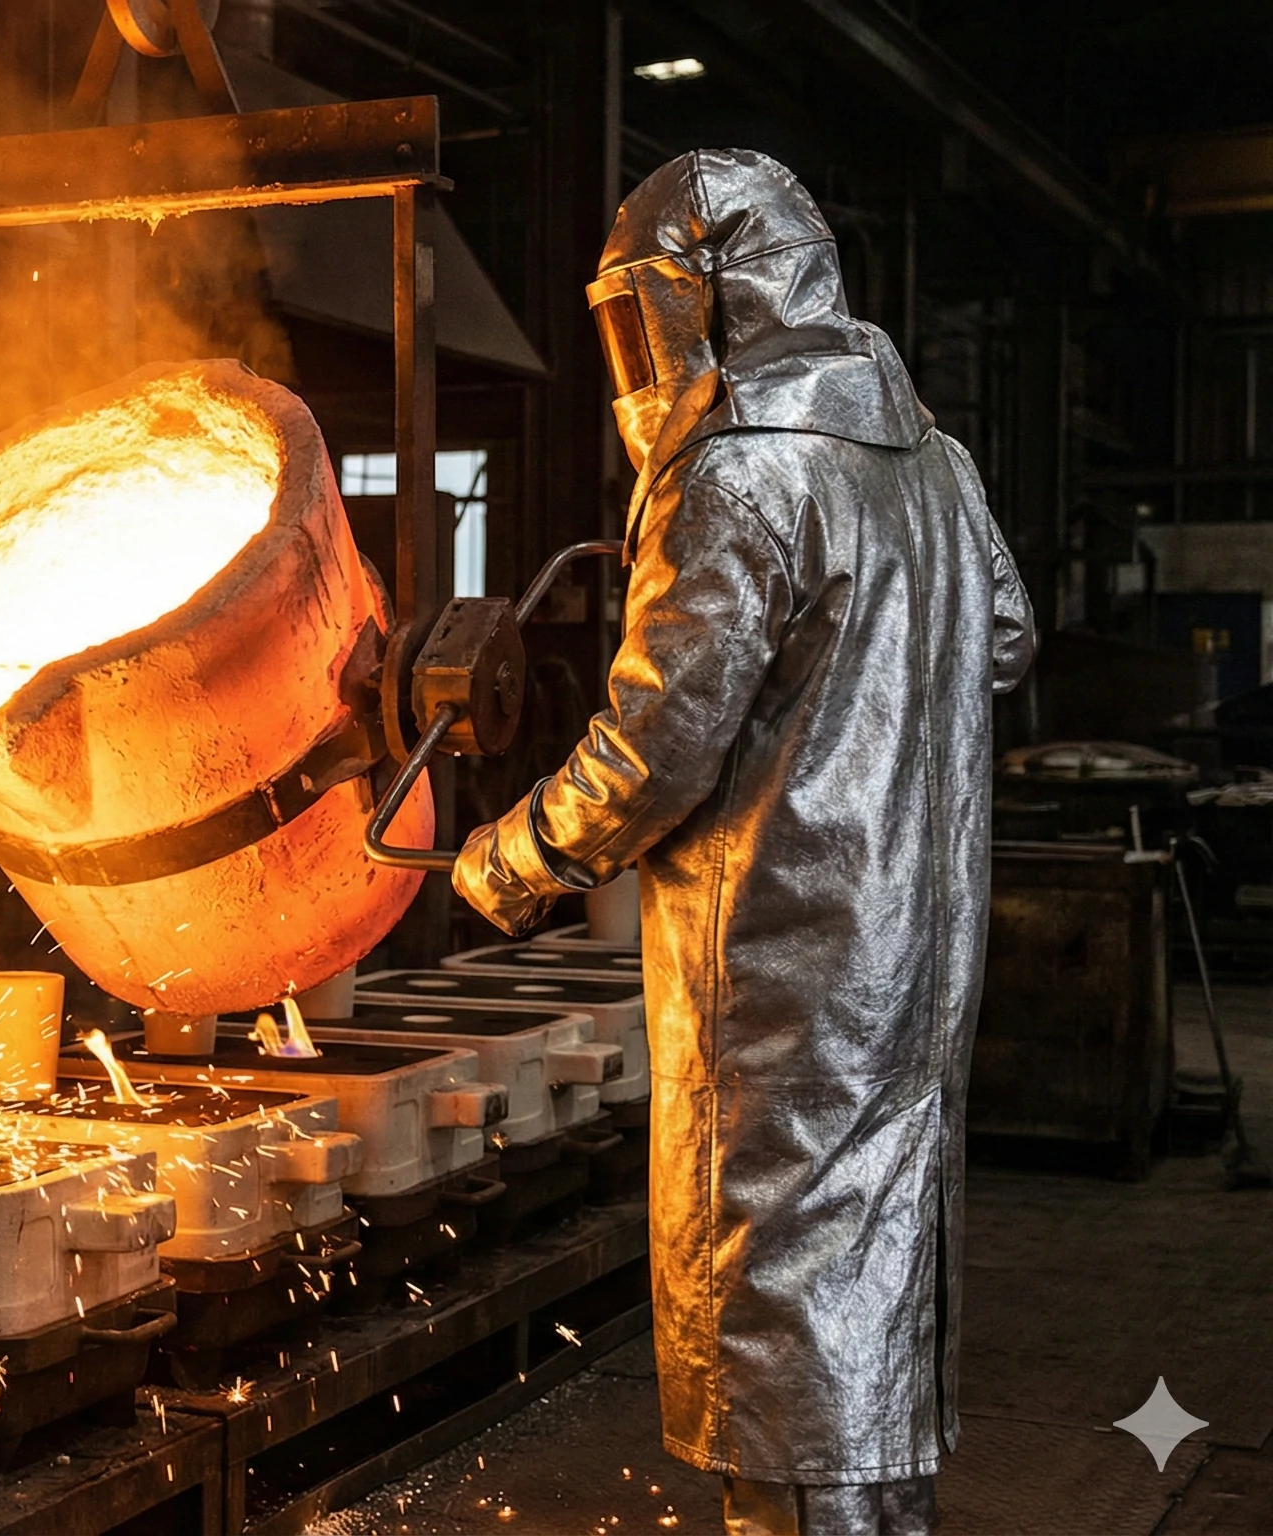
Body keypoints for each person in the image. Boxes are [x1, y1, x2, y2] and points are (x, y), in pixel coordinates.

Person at [451, 149, 1033, 1536]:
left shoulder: (739, 473)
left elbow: (661, 742)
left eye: (643, 317)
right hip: (918, 962)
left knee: (780, 1316)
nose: (640, 360)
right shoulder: (938, 464)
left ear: (715, 296)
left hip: (786, 976)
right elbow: (1004, 637)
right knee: (874, 1282)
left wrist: (520, 856)